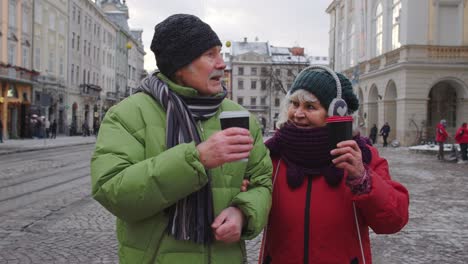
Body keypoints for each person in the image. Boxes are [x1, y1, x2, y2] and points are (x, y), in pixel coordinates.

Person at [90, 14, 272, 264]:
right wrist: (196, 160)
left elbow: (262, 183)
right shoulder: (128, 115)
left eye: (220, 53)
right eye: (210, 54)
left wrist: (243, 212)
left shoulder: (240, 117)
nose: (222, 64)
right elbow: (113, 191)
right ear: (179, 66)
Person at [259, 68, 409, 264]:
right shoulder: (272, 156)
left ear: (336, 113)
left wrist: (363, 179)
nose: (297, 113)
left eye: (310, 107)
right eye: (294, 104)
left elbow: (393, 220)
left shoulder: (361, 157)